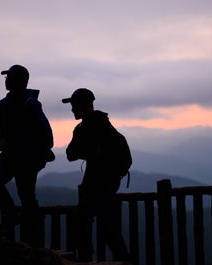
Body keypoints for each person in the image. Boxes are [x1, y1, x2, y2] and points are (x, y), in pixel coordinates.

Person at [62, 88, 131, 262]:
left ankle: (86, 258)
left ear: (83, 105)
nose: (72, 109)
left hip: (97, 183)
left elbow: (70, 154)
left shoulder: (84, 128)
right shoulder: (103, 124)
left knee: (85, 219)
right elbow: (72, 153)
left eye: (74, 105)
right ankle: (123, 259)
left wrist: (87, 151)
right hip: (108, 183)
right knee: (106, 226)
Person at [0, 64, 54, 247]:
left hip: (27, 159)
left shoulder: (30, 104)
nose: (6, 81)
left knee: (26, 196)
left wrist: (31, 149)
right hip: (10, 155)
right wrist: (0, 142)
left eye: (9, 77)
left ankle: (31, 240)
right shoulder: (2, 105)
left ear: (21, 81)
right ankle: (11, 215)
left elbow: (48, 137)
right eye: (6, 77)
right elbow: (1, 130)